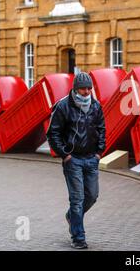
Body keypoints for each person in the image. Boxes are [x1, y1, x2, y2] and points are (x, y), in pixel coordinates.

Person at [46, 72, 106, 249]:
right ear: (75, 88)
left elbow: (101, 129)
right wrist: (65, 155)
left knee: (92, 196)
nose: (87, 91)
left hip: (91, 159)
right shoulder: (63, 106)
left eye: (89, 88)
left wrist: (99, 153)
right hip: (73, 160)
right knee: (77, 199)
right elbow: (52, 133)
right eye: (83, 88)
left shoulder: (96, 106)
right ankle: (78, 237)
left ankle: (72, 217)